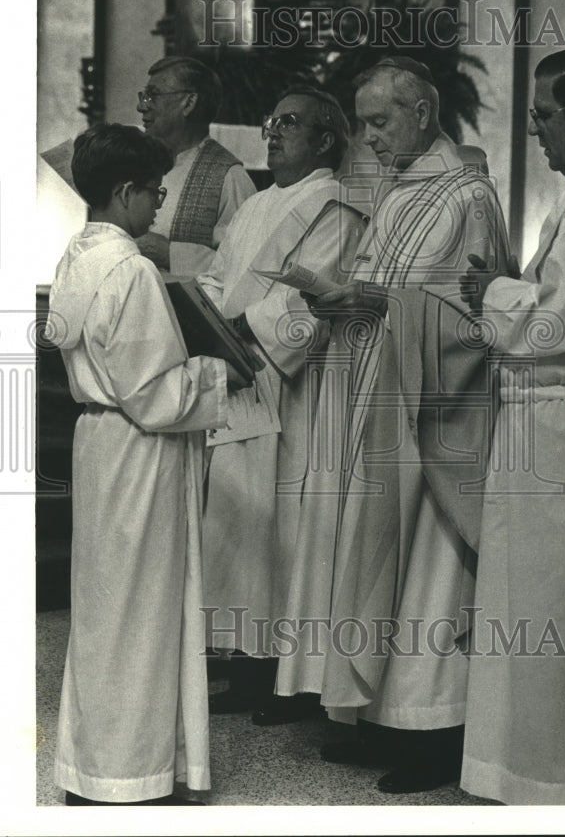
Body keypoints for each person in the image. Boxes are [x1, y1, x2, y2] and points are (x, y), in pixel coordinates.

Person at [287, 57, 510, 793]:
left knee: (428, 577)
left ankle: (433, 732)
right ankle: (378, 715)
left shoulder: (466, 194)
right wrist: (349, 297)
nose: (371, 138)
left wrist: (378, 305)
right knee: (379, 561)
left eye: (381, 122)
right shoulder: (400, 188)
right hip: (379, 397)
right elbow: (389, 285)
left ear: (420, 113)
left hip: (434, 414)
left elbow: (477, 313)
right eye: (366, 124)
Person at [47, 123, 247, 806]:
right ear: (125, 191)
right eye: (155, 192)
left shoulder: (79, 254)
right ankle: (130, 775)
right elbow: (154, 394)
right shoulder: (131, 267)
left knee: (109, 608)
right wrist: (221, 370)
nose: (159, 204)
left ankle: (102, 765)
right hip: (139, 450)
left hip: (99, 444)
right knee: (142, 611)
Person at [458, 47, 565, 804]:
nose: (534, 132)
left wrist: (489, 292)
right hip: (554, 421)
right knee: (536, 603)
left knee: (557, 604)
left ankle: (560, 778)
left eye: (543, 116)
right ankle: (530, 767)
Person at [198, 86, 367, 725]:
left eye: (289, 123)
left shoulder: (335, 208)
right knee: (240, 527)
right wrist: (210, 314)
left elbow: (315, 300)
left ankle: (281, 676)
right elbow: (219, 273)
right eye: (271, 122)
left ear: (325, 140)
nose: (272, 132)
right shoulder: (260, 202)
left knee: (285, 529)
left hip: (295, 389)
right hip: (243, 378)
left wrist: (243, 328)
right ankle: (243, 664)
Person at [136, 56, 255, 278]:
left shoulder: (229, 178)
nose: (141, 106)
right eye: (144, 96)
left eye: (153, 95)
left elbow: (243, 268)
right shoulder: (136, 163)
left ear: (189, 103)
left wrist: (171, 254)